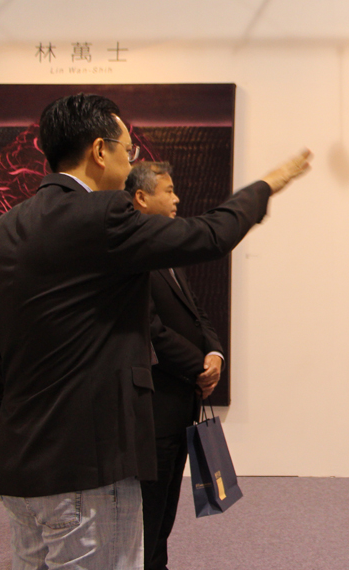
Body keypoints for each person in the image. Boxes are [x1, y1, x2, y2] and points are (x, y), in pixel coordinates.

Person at [0, 93, 311, 570]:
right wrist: (268, 184)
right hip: (90, 470)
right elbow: (210, 235)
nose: (130, 160)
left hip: (21, 468)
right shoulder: (103, 215)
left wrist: (5, 411)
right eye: (127, 150)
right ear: (100, 151)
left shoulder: (0, 231)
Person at [124, 161, 225, 570]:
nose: (177, 199)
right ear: (141, 197)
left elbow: (197, 313)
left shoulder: (165, 253)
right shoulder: (131, 257)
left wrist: (214, 354)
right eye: (168, 191)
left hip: (181, 404)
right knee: (148, 514)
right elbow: (150, 330)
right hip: (154, 408)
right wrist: (198, 366)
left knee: (165, 510)